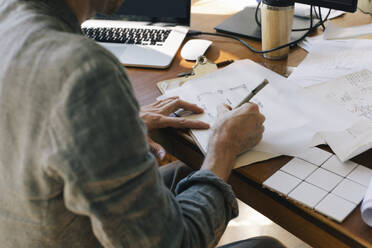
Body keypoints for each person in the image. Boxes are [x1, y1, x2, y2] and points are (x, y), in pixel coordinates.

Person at [0, 0, 285, 247]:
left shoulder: (9, 18)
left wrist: (111, 125)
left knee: (188, 171)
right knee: (267, 245)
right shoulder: (82, 70)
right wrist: (224, 146)